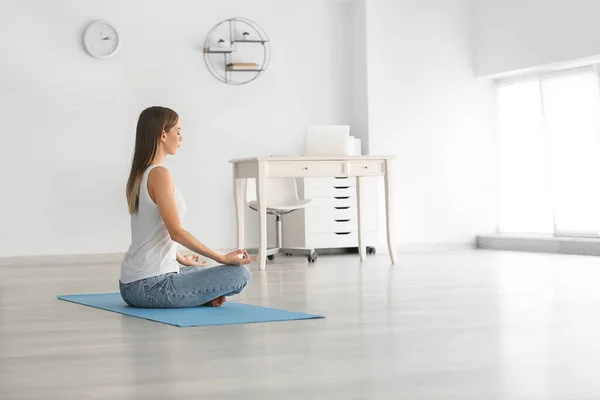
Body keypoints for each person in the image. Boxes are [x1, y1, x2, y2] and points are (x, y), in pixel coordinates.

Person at [119, 106, 257, 308]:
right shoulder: (159, 174)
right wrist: (222, 257)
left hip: (130, 285)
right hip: (151, 286)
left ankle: (202, 294)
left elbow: (152, 231)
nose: (181, 137)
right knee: (239, 274)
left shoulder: (140, 174)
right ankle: (202, 295)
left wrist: (181, 259)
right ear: (163, 135)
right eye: (178, 131)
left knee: (201, 270)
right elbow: (176, 232)